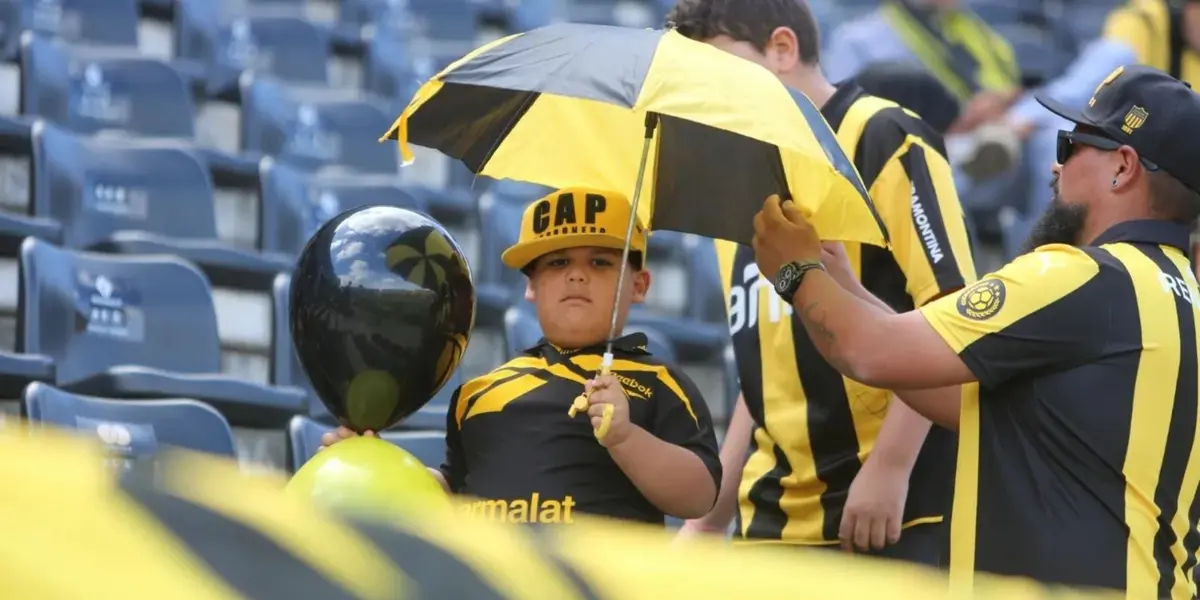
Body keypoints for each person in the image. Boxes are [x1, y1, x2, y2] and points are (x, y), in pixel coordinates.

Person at [749, 64, 1200, 597]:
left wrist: (796, 272)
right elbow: (966, 404)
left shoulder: (1081, 276)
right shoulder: (1177, 290)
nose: (1055, 169)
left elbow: (869, 352)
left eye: (1071, 144)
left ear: (1122, 167)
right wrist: (847, 287)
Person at [667, 0, 976, 564]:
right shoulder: (730, 185)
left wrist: (890, 467)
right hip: (772, 519)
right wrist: (709, 518)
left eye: (718, 69)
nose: (706, 94)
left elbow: (953, 316)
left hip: (891, 508)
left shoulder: (884, 136)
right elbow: (759, 368)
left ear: (782, 49)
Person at [322, 186, 722, 527]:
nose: (576, 275)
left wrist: (626, 438)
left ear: (639, 284)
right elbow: (456, 493)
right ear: (531, 285)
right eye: (558, 262)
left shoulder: (658, 383)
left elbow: (699, 496)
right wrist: (372, 459)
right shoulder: (478, 394)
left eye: (600, 262)